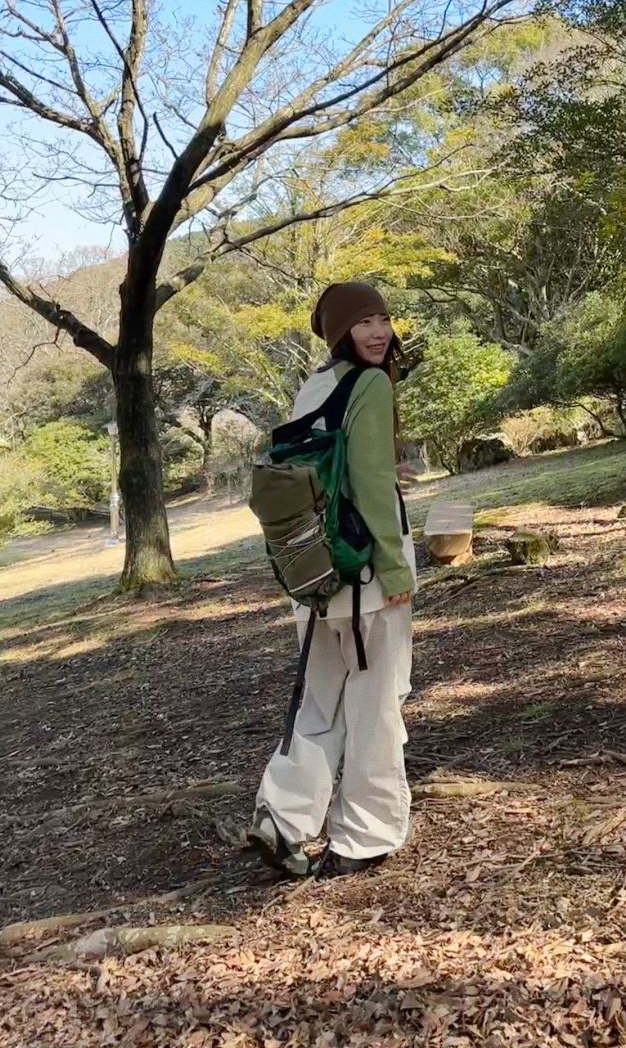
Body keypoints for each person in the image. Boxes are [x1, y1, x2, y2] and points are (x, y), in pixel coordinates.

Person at [249, 281, 416, 880]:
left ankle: (283, 820)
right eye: (363, 321)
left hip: (316, 574)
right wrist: (396, 568)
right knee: (375, 703)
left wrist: (377, 470)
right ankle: (364, 837)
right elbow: (369, 484)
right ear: (340, 332)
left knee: (318, 704)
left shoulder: (314, 386)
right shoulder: (370, 383)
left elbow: (328, 469)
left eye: (383, 318)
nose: (378, 331)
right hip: (367, 573)